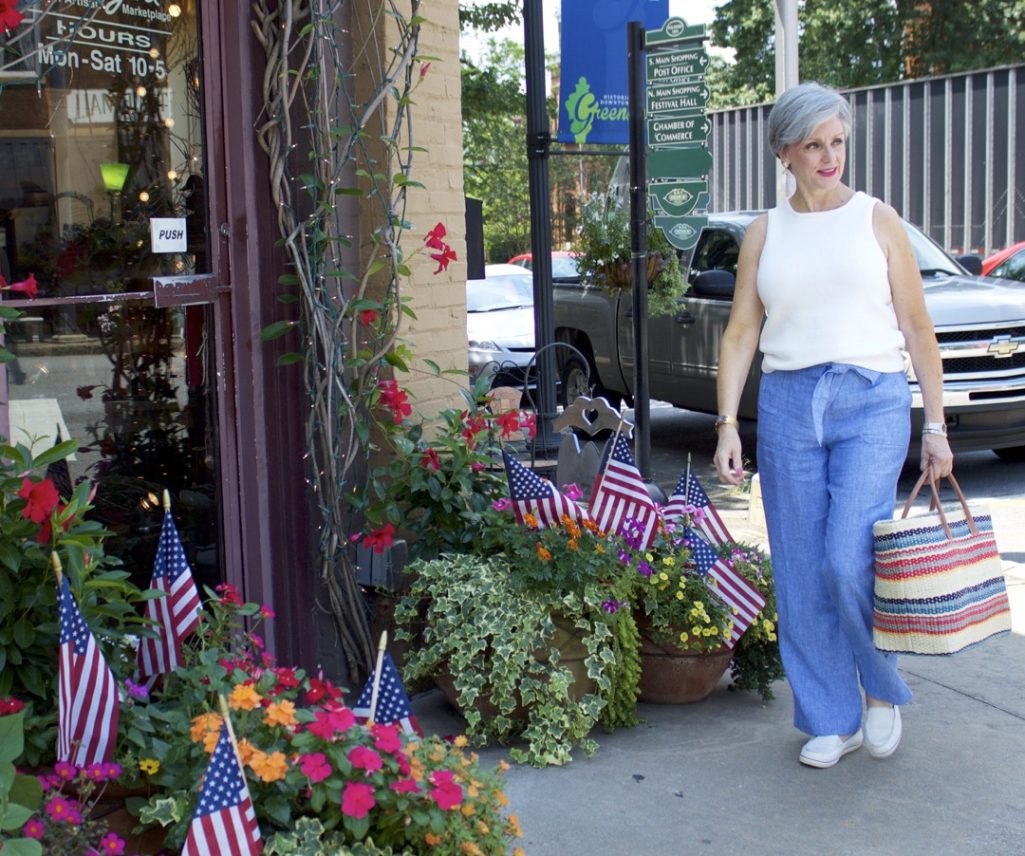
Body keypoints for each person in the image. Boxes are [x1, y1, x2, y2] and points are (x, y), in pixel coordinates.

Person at [712, 82, 954, 769]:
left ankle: (880, 691)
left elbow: (915, 325)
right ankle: (828, 717)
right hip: (788, 401)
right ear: (783, 151)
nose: (828, 156)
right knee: (796, 566)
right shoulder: (764, 232)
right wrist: (727, 424)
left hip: (870, 397)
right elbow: (739, 333)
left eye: (837, 141)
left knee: (847, 557)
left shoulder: (877, 219)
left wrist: (934, 424)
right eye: (813, 144)